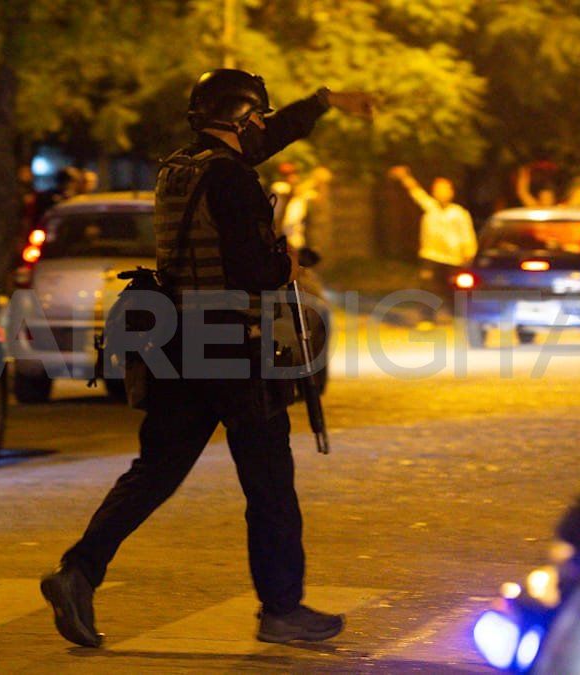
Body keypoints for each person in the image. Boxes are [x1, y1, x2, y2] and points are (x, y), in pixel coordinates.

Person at [40, 68, 375, 648]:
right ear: (242, 119)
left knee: (154, 473)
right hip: (232, 349)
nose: (263, 130)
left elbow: (271, 139)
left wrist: (324, 102)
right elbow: (254, 272)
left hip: (177, 343)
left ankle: (78, 572)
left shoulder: (181, 167)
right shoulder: (234, 182)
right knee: (270, 485)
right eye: (257, 120)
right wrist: (288, 266)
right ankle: (282, 609)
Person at [388, 166, 477, 323]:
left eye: (445, 189)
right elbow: (416, 192)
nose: (441, 192)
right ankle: (427, 319)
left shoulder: (459, 213)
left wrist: (469, 253)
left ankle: (459, 318)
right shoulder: (430, 208)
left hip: (453, 259)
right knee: (428, 287)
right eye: (438, 189)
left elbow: (467, 236)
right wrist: (405, 177)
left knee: (455, 289)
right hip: (431, 255)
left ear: (451, 192)